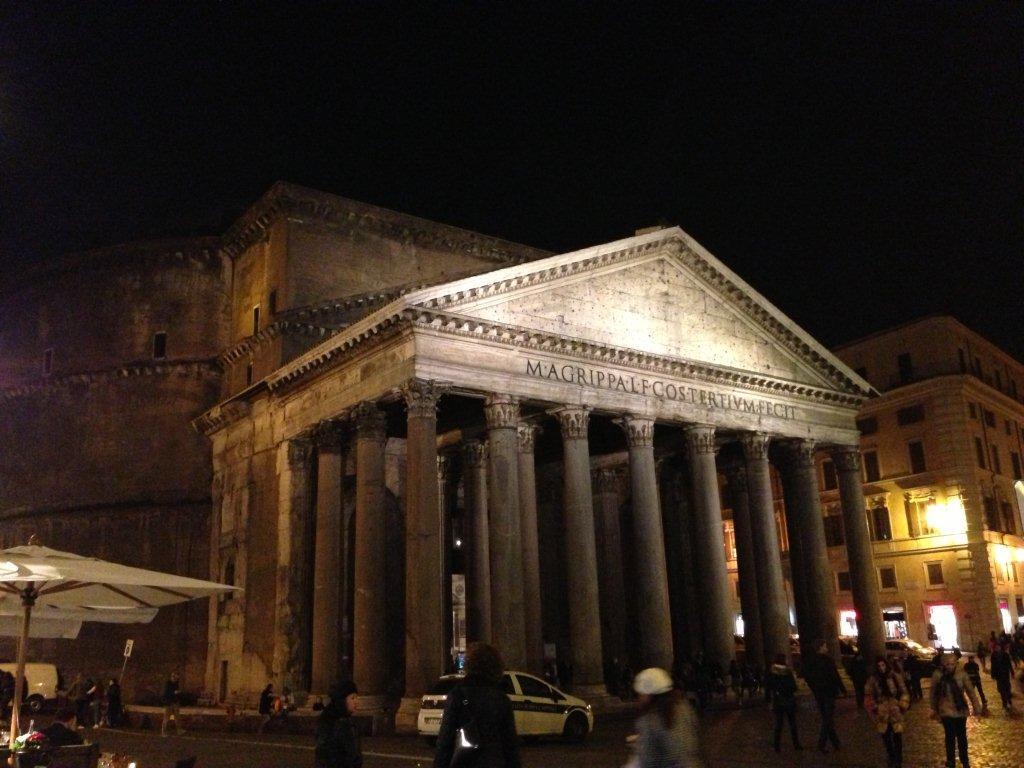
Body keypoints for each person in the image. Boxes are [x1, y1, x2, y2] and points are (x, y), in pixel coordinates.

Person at [434, 642, 520, 768]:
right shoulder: (501, 699)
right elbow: (510, 746)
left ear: (470, 665)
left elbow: (445, 742)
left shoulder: (458, 695)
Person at [629, 667, 703, 768]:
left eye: (640, 694)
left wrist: (640, 745)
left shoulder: (649, 721)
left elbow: (648, 761)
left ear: (648, 695)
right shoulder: (684, 709)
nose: (639, 698)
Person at [930, 652, 982, 768]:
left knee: (962, 736)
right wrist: (933, 709)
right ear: (943, 664)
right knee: (949, 736)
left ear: (956, 664)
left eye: (952, 664)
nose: (950, 666)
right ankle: (951, 761)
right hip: (945, 709)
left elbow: (971, 692)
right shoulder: (938, 675)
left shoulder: (961, 674)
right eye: (947, 664)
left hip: (960, 709)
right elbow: (933, 693)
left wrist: (977, 709)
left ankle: (965, 760)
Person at [865, 656, 909, 768]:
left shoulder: (895, 677)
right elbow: (869, 696)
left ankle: (898, 759)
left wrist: (902, 705)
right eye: (879, 666)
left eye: (883, 665)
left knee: (897, 736)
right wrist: (875, 708)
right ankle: (891, 756)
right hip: (882, 711)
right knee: (886, 737)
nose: (881, 668)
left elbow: (904, 691)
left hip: (895, 710)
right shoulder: (873, 680)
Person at [803, 641, 845, 753]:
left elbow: (807, 676)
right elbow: (835, 676)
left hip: (819, 693)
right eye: (825, 646)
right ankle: (821, 744)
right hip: (829, 692)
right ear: (821, 647)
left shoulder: (811, 662)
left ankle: (836, 743)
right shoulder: (828, 661)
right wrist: (842, 689)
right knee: (827, 719)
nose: (826, 647)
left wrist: (814, 688)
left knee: (827, 718)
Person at [314, 680, 362, 768]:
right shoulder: (333, 722)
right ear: (342, 700)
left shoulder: (347, 721)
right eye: (352, 698)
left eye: (356, 697)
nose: (356, 702)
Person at [765, 653, 801, 753]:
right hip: (788, 699)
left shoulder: (771, 672)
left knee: (779, 724)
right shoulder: (788, 671)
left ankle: (777, 746)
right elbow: (793, 687)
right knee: (792, 724)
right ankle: (796, 744)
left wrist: (768, 700)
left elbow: (768, 687)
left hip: (778, 700)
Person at [988, 640, 1014, 710]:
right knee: (1001, 690)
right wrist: (993, 674)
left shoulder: (1005, 654)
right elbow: (993, 666)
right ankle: (1004, 702)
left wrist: (1012, 672)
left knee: (1007, 688)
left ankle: (1009, 699)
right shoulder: (993, 655)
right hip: (998, 675)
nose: (997, 648)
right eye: (996, 647)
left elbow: (1009, 664)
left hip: (1005, 674)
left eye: (998, 647)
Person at [162, 671, 184, 736]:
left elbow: (177, 692)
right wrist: (174, 692)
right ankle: (164, 732)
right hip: (169, 703)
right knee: (167, 718)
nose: (176, 678)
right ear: (172, 677)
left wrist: (178, 694)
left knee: (177, 717)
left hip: (175, 702)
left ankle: (179, 730)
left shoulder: (176, 683)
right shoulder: (168, 683)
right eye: (175, 677)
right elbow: (166, 693)